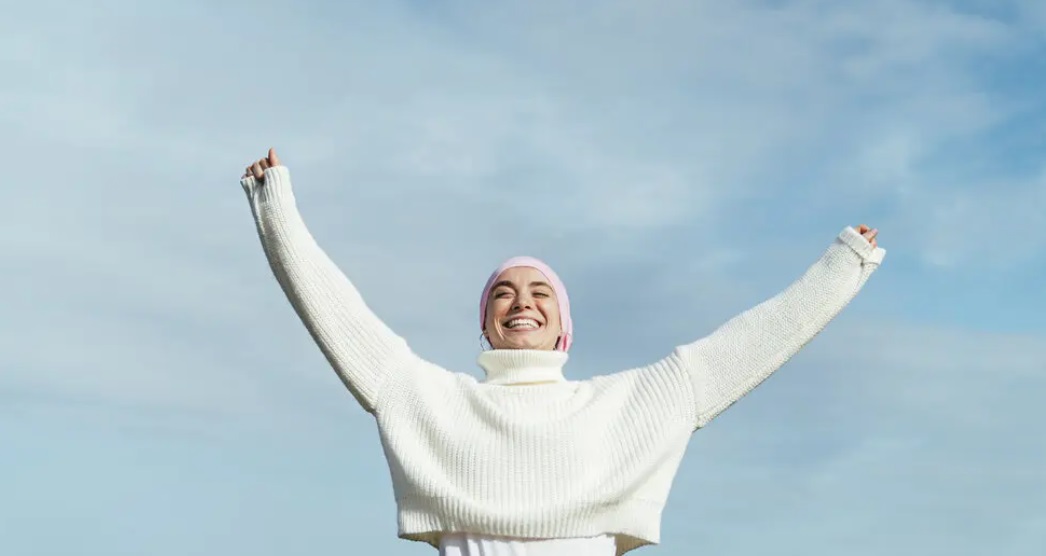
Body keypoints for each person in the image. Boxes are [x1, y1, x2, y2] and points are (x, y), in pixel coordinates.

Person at [239, 148, 884, 556]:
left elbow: (747, 345)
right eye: (503, 294)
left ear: (562, 330)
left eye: (541, 291)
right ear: (486, 327)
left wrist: (841, 268)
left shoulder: (625, 405)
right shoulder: (432, 402)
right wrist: (277, 209)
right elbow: (337, 314)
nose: (522, 301)